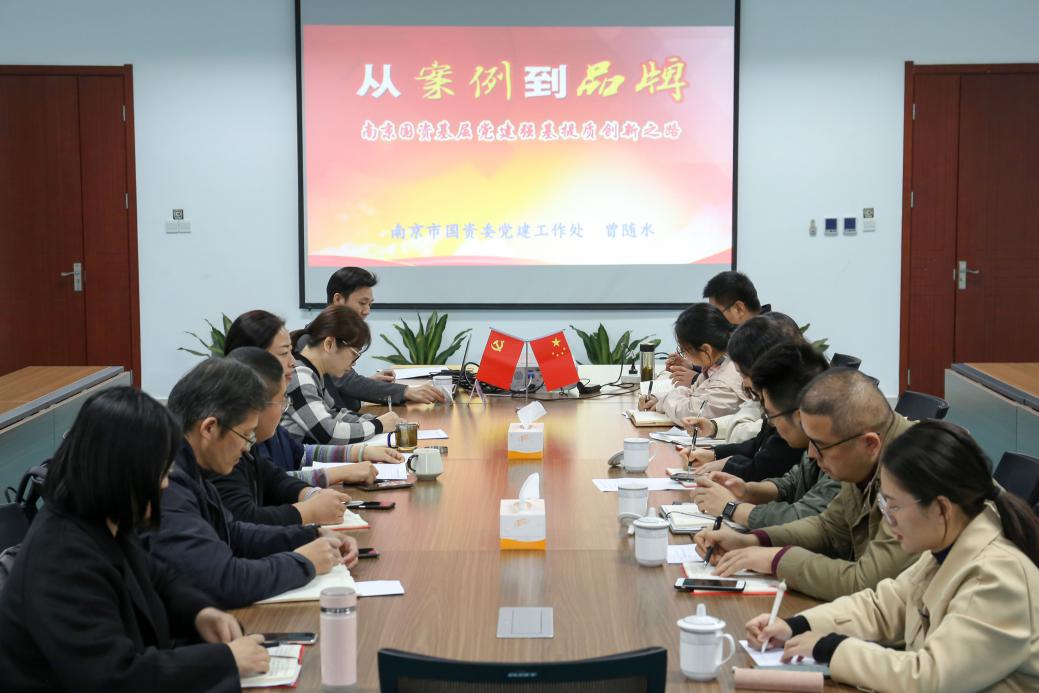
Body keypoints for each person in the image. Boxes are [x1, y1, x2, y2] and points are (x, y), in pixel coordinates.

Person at [0, 387, 268, 691]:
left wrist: (201, 613)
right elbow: (115, 676)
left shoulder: (103, 519)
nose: (165, 484)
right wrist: (224, 659)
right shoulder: (62, 557)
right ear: (123, 472)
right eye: (160, 472)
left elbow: (159, 579)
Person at [747, 422, 1039, 692]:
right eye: (883, 503)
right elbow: (882, 606)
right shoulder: (948, 546)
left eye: (894, 506)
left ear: (941, 509)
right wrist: (797, 625)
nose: (888, 519)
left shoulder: (997, 577)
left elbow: (929, 679)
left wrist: (831, 648)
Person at [148, 358, 359, 609]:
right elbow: (225, 581)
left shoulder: (192, 466)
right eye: (246, 434)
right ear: (209, 428)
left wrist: (310, 535)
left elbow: (233, 533)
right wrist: (305, 561)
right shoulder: (168, 485)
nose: (248, 447)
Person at [694, 368, 917, 601]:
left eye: (820, 445)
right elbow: (828, 528)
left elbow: (867, 582)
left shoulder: (913, 469)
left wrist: (775, 560)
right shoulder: (861, 453)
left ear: (869, 444)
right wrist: (752, 541)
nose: (811, 454)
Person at [224, 310, 399, 484]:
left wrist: (361, 452)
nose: (293, 361)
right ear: (253, 358)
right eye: (284, 353)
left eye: (291, 351)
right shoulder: (241, 435)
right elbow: (271, 484)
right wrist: (376, 426)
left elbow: (301, 452)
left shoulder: (273, 428)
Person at [209, 348, 366, 526]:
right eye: (283, 400)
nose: (292, 361)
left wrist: (311, 494)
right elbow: (244, 521)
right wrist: (309, 512)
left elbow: (275, 479)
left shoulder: (251, 442)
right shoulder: (224, 451)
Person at [691, 342, 840, 528]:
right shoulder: (819, 439)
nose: (771, 424)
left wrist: (731, 508)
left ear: (799, 416)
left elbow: (807, 518)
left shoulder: (842, 451)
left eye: (771, 415)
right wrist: (747, 491)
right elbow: (792, 483)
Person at [680, 313, 807, 482]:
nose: (744, 383)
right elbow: (759, 444)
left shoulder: (792, 401)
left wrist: (726, 465)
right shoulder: (778, 392)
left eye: (743, 374)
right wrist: (714, 454)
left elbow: (765, 468)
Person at [320, 267, 445, 408]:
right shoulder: (320, 338)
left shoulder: (337, 333)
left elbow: (340, 384)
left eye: (370, 304)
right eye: (362, 303)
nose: (367, 311)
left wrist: (370, 381)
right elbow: (346, 382)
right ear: (338, 299)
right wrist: (406, 392)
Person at [283, 305, 399, 445]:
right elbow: (328, 433)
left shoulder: (313, 373)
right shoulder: (300, 376)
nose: (354, 363)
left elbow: (334, 414)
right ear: (329, 344)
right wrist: (378, 425)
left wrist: (376, 420)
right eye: (354, 354)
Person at [637, 303, 748, 423]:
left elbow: (691, 413)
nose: (684, 355)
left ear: (706, 350)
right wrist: (659, 400)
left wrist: (663, 403)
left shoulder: (726, 382)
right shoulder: (717, 366)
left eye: (684, 350)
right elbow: (692, 393)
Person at [665, 270, 770, 386]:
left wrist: (695, 379)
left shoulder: (767, 339)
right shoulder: (746, 331)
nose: (713, 318)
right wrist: (693, 365)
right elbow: (724, 366)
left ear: (739, 308)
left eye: (717, 312)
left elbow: (740, 386)